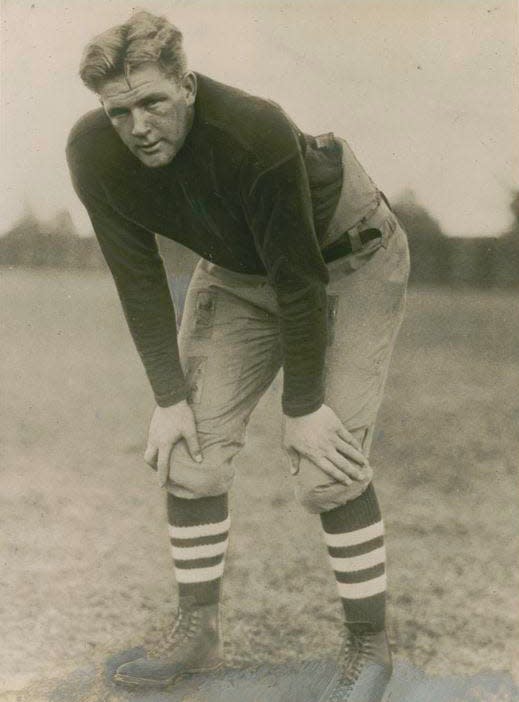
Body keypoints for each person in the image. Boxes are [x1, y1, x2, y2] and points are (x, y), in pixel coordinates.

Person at [66, 10, 410, 702]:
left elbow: (301, 278)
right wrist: (168, 399)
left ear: (187, 85)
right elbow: (137, 277)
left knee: (324, 470)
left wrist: (305, 406)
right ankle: (198, 630)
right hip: (236, 274)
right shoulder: (93, 152)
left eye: (153, 101)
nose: (137, 126)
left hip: (346, 262)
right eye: (119, 110)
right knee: (189, 456)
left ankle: (368, 644)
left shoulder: (252, 129)